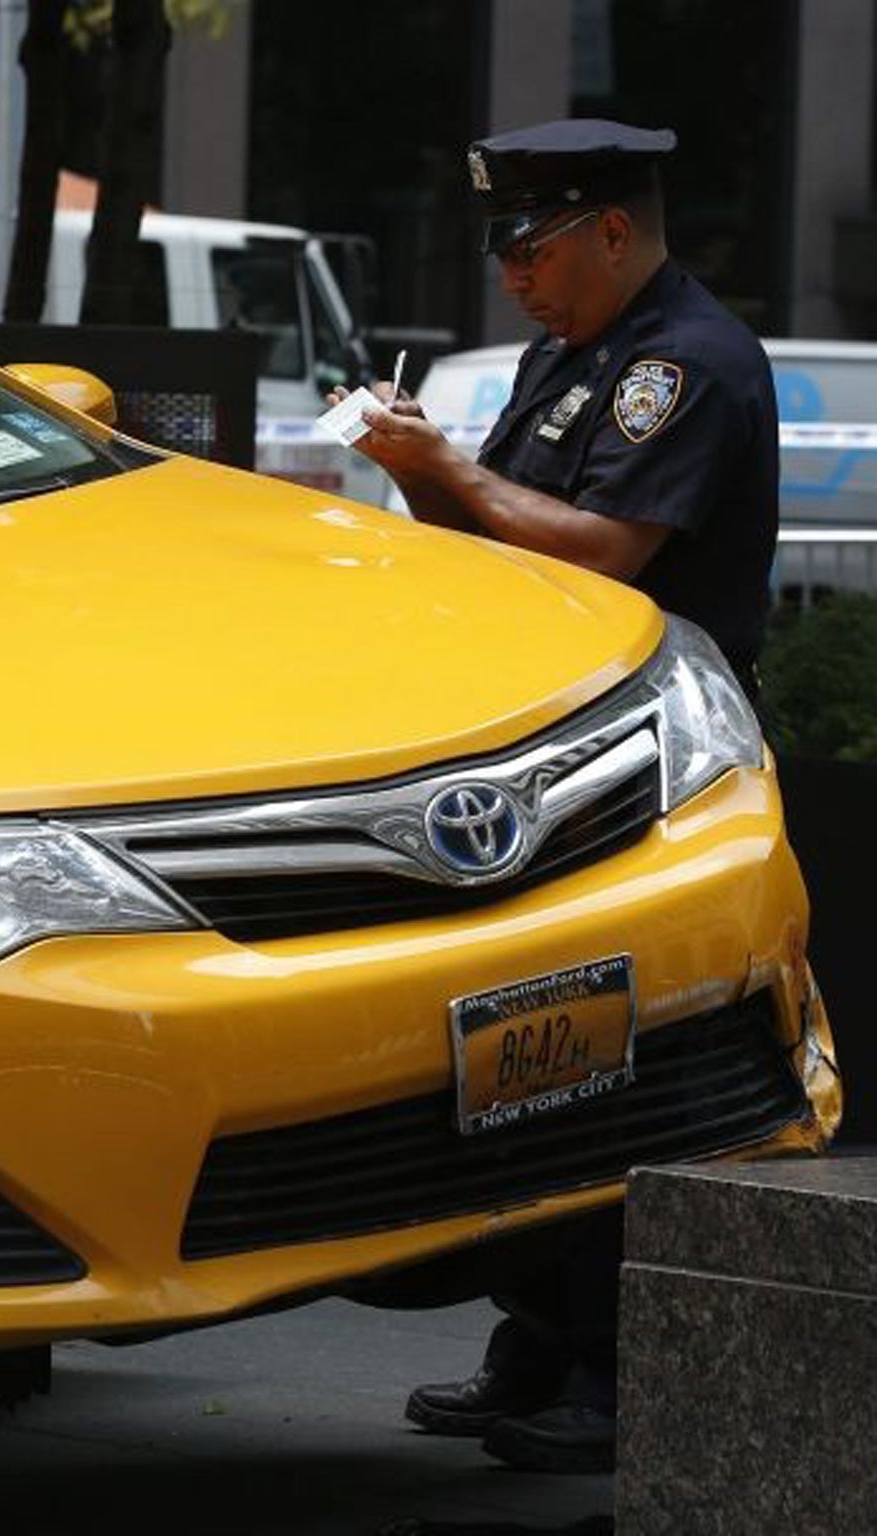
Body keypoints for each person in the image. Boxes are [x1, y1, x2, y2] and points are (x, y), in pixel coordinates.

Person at [335, 120, 781, 1474]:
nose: (511, 277)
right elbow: (495, 537)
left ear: (610, 233)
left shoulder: (679, 369)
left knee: (595, 1058)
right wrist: (426, 477)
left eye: (529, 248)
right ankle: (538, 1336)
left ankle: (610, 1359)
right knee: (521, 1062)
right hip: (548, 750)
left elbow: (609, 554)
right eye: (501, 250)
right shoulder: (571, 356)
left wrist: (449, 471)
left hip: (649, 765)